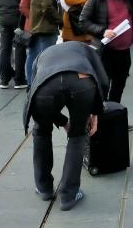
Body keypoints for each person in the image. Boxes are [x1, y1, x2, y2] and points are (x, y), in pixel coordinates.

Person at [23, 41, 109, 211]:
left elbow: (32, 91)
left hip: (46, 86)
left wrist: (62, 121)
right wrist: (95, 112)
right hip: (82, 84)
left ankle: (44, 188)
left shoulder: (44, 54)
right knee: (77, 137)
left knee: (41, 131)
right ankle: (69, 196)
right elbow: (103, 81)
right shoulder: (87, 51)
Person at [22, 0, 62, 85]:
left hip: (37, 25)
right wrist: (58, 20)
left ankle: (31, 82)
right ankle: (40, 83)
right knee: (45, 57)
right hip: (45, 26)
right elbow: (47, 6)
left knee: (33, 55)